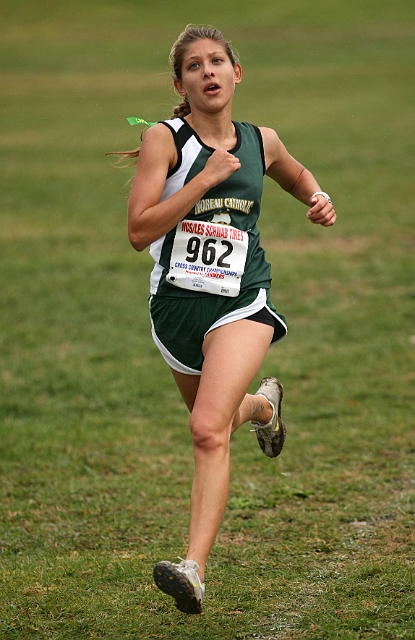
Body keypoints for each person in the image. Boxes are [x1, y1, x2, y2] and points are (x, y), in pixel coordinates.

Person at [116, 25, 336, 615]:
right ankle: (264, 406)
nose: (208, 72)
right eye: (194, 66)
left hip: (242, 299)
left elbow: (293, 173)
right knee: (216, 417)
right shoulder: (167, 142)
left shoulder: (259, 140)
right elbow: (140, 232)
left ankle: (193, 569)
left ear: (237, 74)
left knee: (207, 431)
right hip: (175, 308)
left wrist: (317, 197)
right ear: (180, 84)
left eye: (218, 62)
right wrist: (206, 179)